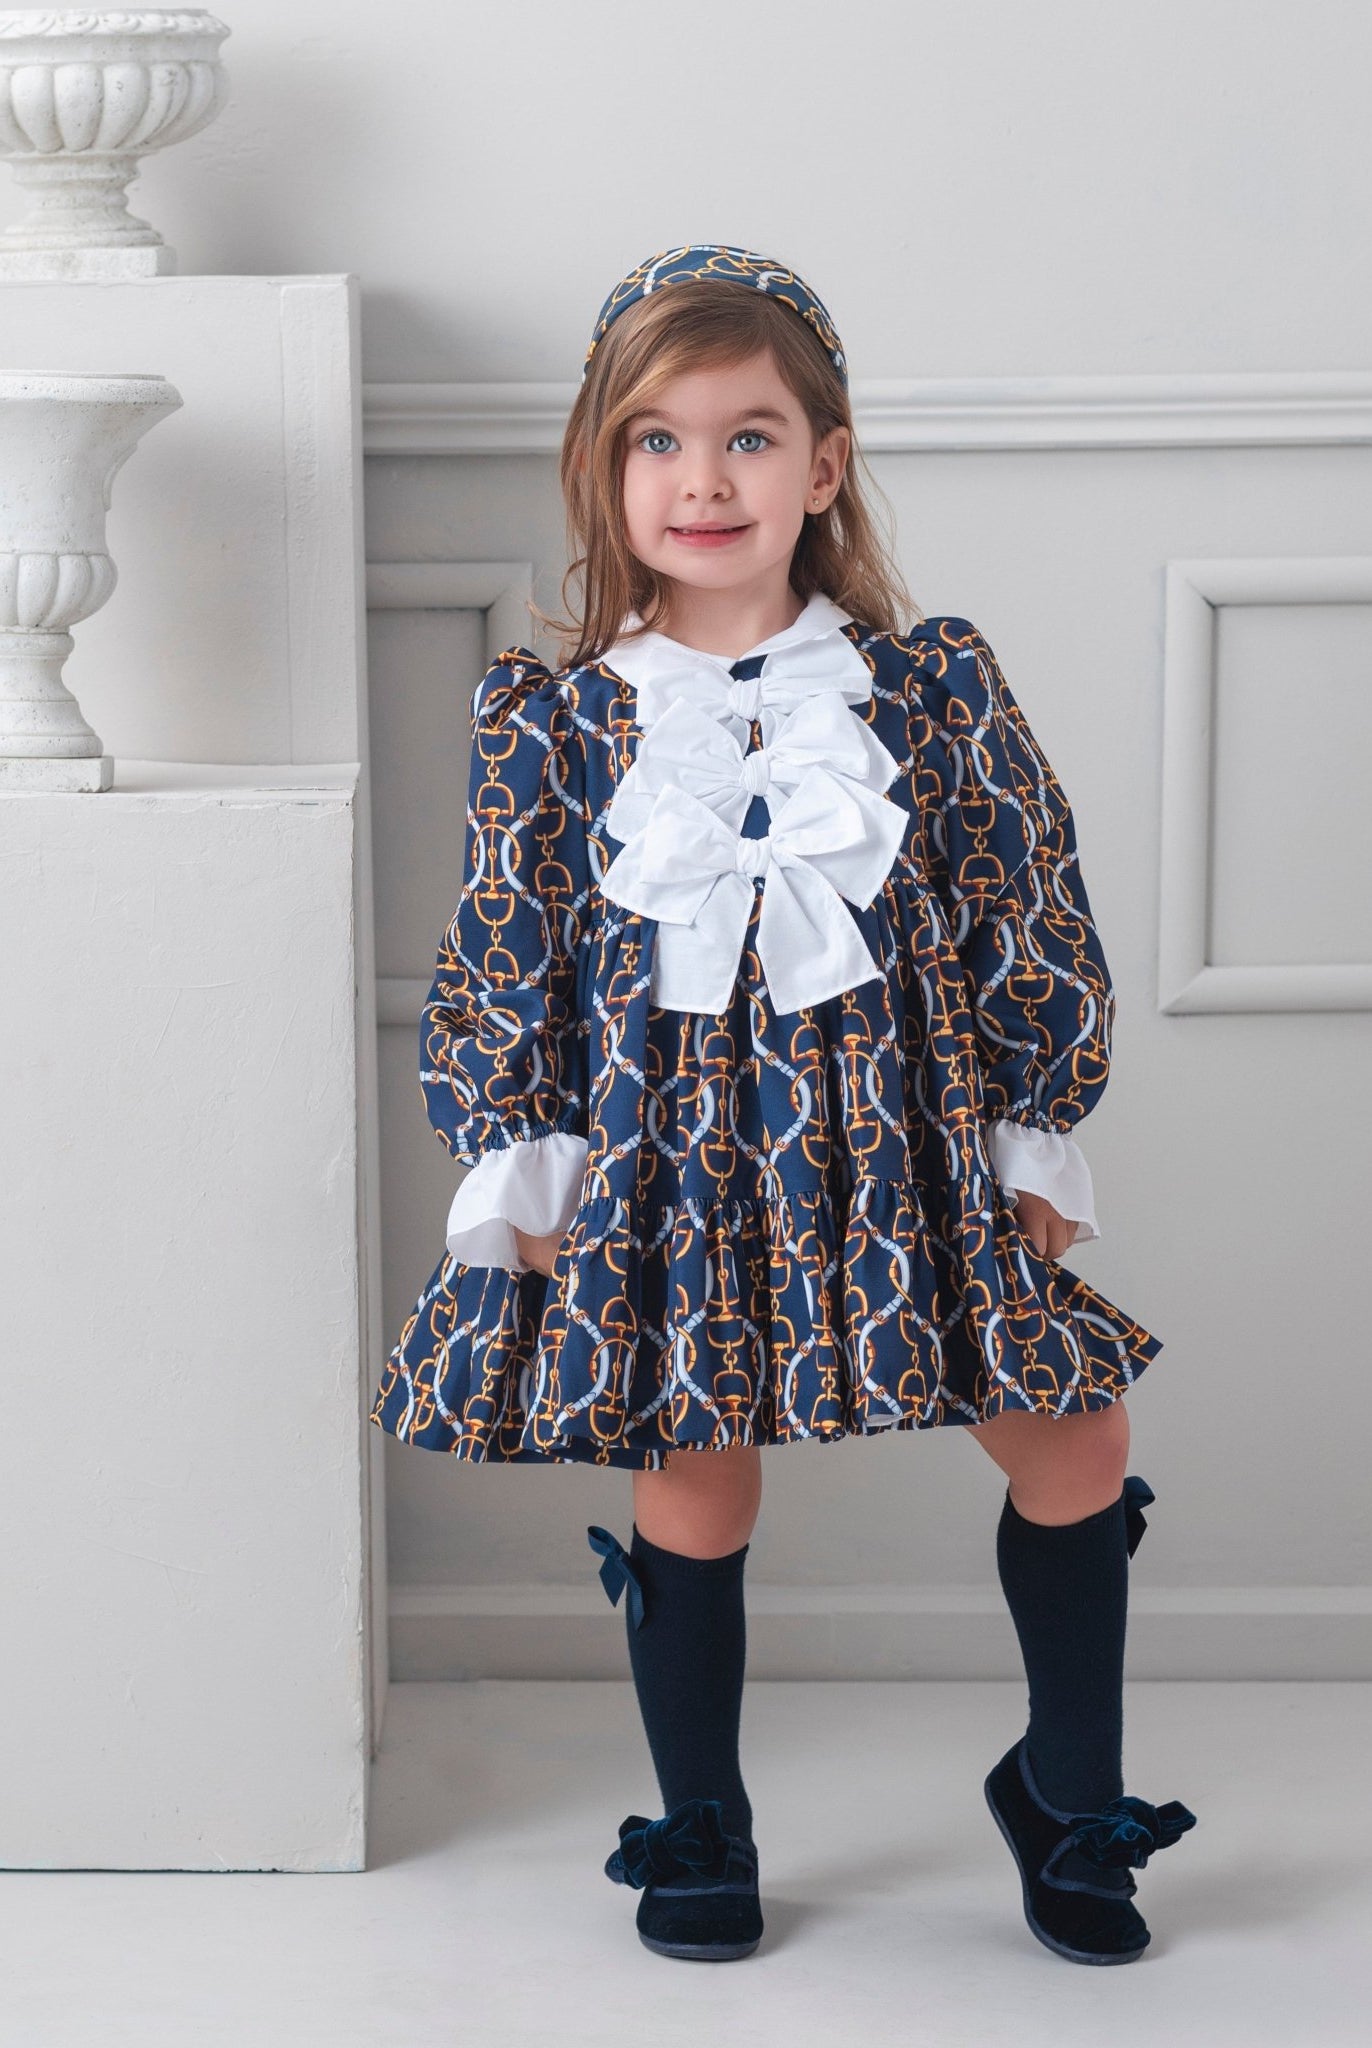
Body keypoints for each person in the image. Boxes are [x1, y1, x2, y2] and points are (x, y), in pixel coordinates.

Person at [369, 243, 1197, 1967]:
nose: (703, 478)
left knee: (1078, 1435)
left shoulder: (931, 693)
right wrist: (523, 1161)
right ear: (607, 471)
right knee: (697, 1477)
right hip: (668, 1167)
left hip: (911, 1155)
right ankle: (703, 1823)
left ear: (823, 466)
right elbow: (505, 950)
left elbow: (1026, 907)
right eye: (658, 440)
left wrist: (1036, 1134)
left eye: (750, 438)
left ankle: (1066, 1789)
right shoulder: (557, 721)